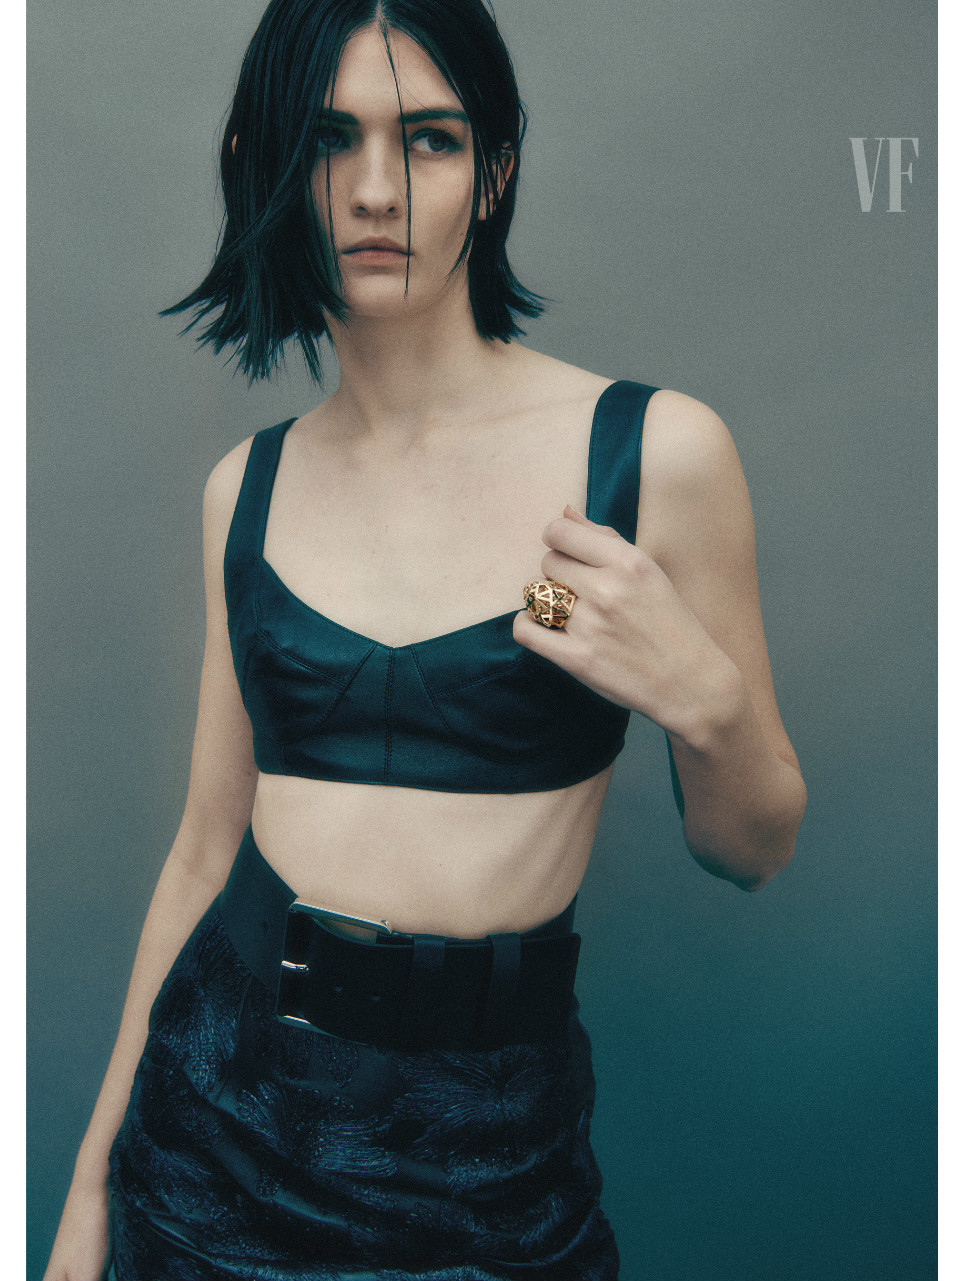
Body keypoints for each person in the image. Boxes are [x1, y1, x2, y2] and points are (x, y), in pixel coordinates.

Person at [42, 1, 807, 1277]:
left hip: (492, 1161)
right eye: (329, 138)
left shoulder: (651, 456)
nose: (377, 189)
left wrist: (706, 703)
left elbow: (753, 853)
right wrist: (87, 1187)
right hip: (218, 1132)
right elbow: (204, 849)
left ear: (494, 173)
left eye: (432, 139)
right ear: (264, 163)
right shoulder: (248, 489)